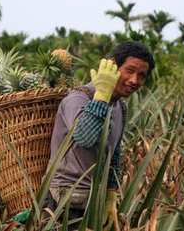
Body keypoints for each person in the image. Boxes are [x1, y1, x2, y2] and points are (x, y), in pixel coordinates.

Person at [46, 41, 155, 230]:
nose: (134, 80)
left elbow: (114, 154)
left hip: (94, 201)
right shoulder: (77, 99)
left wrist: (111, 194)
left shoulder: (119, 106)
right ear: (112, 66)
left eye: (141, 76)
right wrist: (102, 95)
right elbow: (84, 137)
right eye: (129, 70)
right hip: (65, 202)